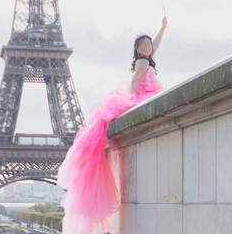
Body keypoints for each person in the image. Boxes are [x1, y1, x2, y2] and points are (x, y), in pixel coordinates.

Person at [56, 16, 167, 234]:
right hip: (142, 96)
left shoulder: (147, 58)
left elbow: (156, 46)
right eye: (144, 45)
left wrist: (162, 28)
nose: (148, 47)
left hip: (143, 95)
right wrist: (134, 100)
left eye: (149, 44)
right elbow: (135, 82)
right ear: (138, 49)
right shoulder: (143, 62)